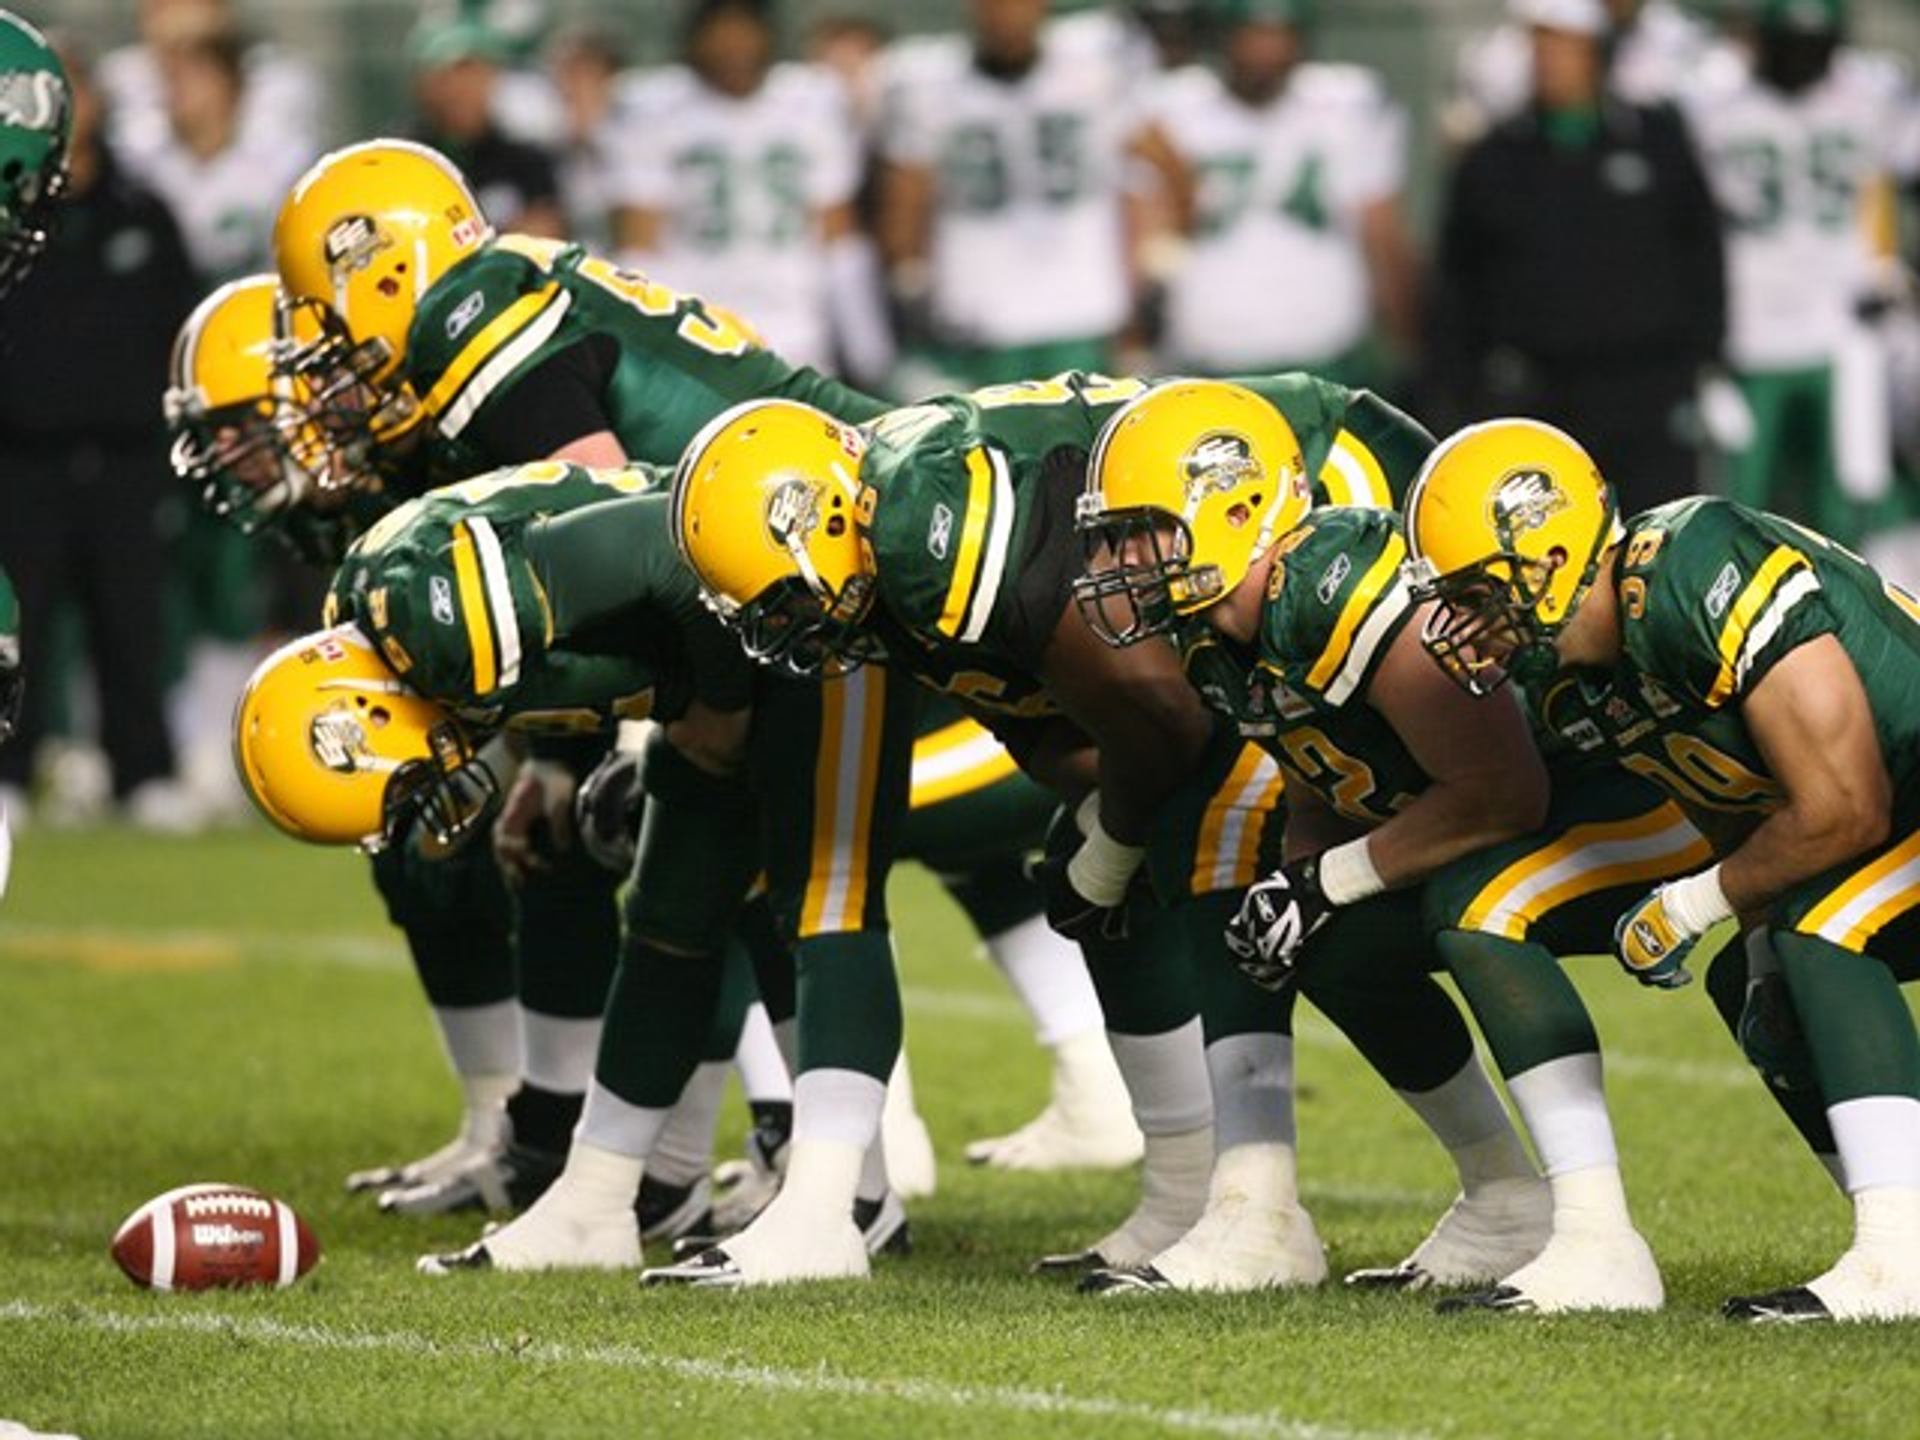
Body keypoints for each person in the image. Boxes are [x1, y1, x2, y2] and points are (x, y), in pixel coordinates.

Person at [670, 373, 1556, 1296]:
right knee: (1105, 870)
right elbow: (1049, 729)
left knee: (1211, 838)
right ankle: (1194, 1192)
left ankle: (1263, 1213)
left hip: (1317, 496)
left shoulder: (926, 533)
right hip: (1193, 576)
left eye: (790, 603)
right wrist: (1106, 842)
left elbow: (1160, 715)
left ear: (836, 524)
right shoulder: (889, 562)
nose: (796, 632)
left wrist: (1122, 835)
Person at [1073, 380, 1708, 1311]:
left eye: (1141, 529)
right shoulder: (1219, 639)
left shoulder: (1334, 586)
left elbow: (1504, 789)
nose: (1120, 558)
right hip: (1525, 820)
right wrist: (1303, 882)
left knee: (1472, 909)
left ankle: (1599, 1236)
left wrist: (1328, 880)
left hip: (1634, 800)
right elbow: (1326, 776)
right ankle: (1503, 1201)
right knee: (1325, 944)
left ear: (1238, 506)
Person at [1404, 416, 1920, 1322]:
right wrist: (1746, 939)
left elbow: (1845, 807)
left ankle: (1904, 1255)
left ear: (1548, 555)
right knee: (1761, 981)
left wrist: (1689, 906)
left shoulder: (1694, 563)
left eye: (1478, 594)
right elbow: (1745, 806)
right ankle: (1896, 1229)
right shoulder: (1574, 682)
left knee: (1824, 928)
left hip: (1895, 792)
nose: (1468, 629)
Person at [0, 35, 198, 829]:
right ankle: (10, 770)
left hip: (123, 456)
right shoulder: (12, 211)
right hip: (22, 454)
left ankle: (142, 770)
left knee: (132, 623)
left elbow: (181, 334)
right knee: (22, 624)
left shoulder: (142, 210)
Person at [1425, 0, 1727, 515]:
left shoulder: (1656, 140)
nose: (1548, 60)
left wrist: (1706, 354)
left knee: (1662, 543)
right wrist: (1458, 387)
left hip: (1646, 388)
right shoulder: (1494, 157)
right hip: (1536, 391)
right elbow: (1458, 281)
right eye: (1539, 45)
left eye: (1563, 45)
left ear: (1596, 53)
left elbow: (1701, 251)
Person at [1681, 0, 1920, 547]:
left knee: (1841, 521)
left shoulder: (1873, 94)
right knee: (1742, 520)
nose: (1801, 63)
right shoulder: (1710, 99)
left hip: (1841, 335)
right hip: (1747, 335)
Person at [610, 0, 892, 387]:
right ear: (695, 41)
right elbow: (640, 245)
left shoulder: (812, 102)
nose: (734, 51)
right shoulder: (653, 109)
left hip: (799, 335)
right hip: (699, 336)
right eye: (721, 38)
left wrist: (868, 349)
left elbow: (837, 237)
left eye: (744, 35)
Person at [874, 0, 1154, 389]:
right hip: (979, 315)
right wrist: (910, 284)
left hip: (1083, 307)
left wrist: (1150, 273)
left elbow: (1149, 170)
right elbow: (907, 194)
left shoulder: (1094, 64)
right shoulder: (928, 83)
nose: (1006, 15)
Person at [1138, 0, 1418, 387]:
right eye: (1252, 34)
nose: (1265, 51)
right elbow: (1148, 232)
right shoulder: (1169, 111)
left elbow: (1382, 232)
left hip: (1328, 359)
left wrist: (1407, 339)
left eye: (1279, 34)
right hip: (1210, 360)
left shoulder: (1349, 104)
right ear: (1223, 36)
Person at [409, 17, 564, 240]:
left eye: (476, 73)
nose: (463, 88)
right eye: (450, 75)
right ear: (424, 83)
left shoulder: (526, 160)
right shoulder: (404, 157)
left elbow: (543, 237)